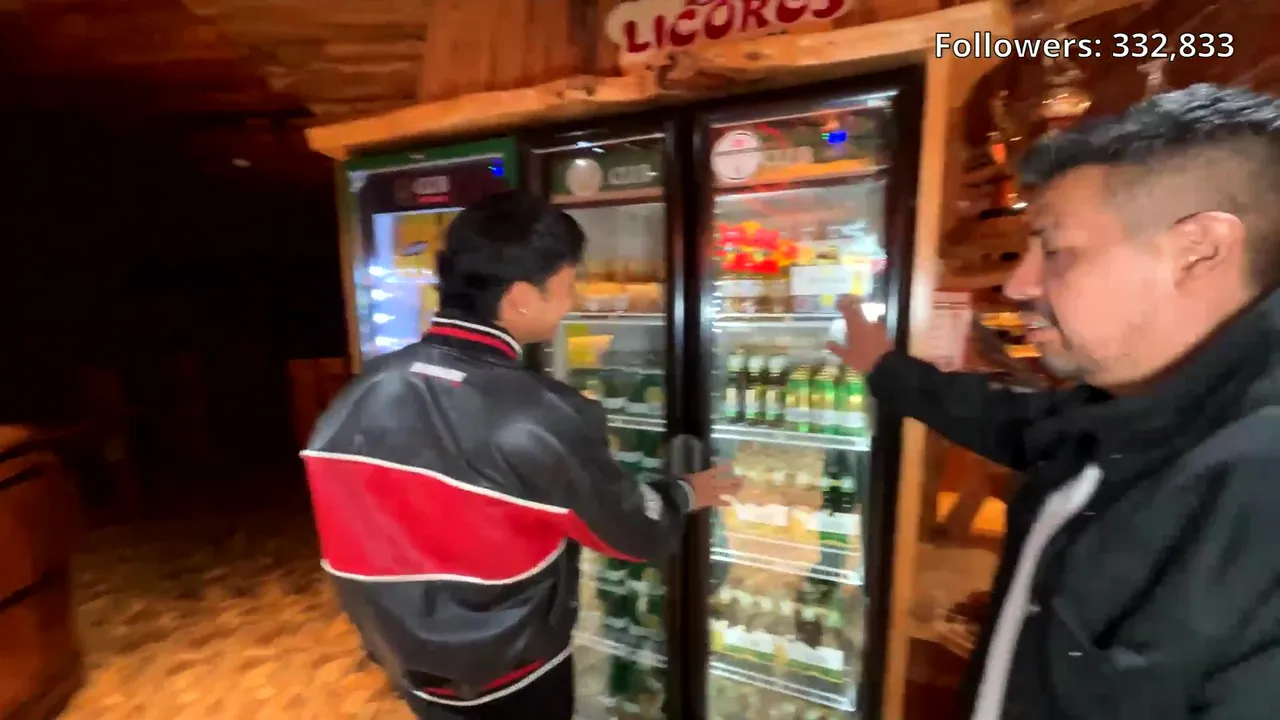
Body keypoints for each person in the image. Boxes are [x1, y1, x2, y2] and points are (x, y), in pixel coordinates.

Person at [829, 84, 1280, 719]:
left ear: (1198, 250)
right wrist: (884, 368)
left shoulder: (1257, 491)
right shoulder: (1120, 410)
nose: (1019, 283)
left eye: (1056, 250)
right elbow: (1013, 422)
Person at [301, 190, 742, 719]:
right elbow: (631, 533)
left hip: (408, 667)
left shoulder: (354, 398)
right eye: (566, 285)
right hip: (511, 675)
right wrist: (683, 492)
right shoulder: (544, 416)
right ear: (521, 298)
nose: (571, 302)